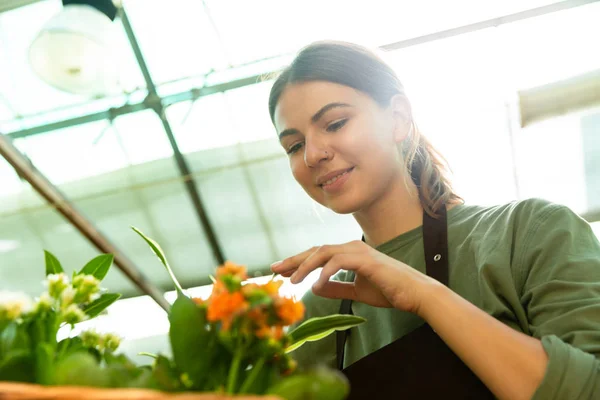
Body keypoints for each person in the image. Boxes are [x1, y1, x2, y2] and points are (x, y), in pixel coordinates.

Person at [267, 41, 600, 400]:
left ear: (398, 119)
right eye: (294, 146)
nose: (314, 154)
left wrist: (424, 294)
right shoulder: (318, 312)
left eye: (335, 123)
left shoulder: (529, 232)